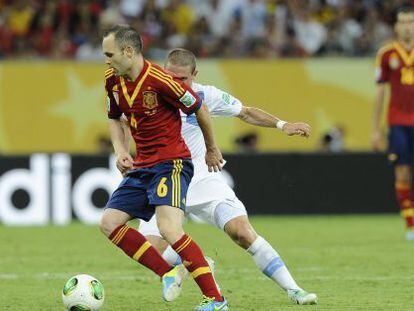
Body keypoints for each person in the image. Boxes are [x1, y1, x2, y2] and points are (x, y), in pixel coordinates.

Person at [134, 48, 318, 305]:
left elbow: (245, 111)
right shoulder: (150, 96)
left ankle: (294, 289)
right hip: (165, 181)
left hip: (201, 178)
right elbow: (121, 120)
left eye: (183, 79)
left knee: (241, 231)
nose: (176, 84)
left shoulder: (205, 95)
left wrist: (282, 125)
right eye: (171, 77)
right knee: (151, 248)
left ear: (195, 75)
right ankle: (198, 266)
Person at [100, 25, 229, 311]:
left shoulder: (162, 80)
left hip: (171, 162)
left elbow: (200, 109)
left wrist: (211, 148)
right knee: (109, 223)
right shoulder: (112, 79)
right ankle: (168, 273)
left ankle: (217, 300)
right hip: (142, 164)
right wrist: (121, 151)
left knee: (168, 227)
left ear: (129, 51)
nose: (106, 60)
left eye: (109, 54)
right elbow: (113, 116)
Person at [373, 7, 414, 241]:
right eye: (403, 22)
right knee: (403, 173)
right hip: (398, 122)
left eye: (411, 22)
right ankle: (410, 225)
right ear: (397, 27)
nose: (407, 26)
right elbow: (379, 93)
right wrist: (376, 129)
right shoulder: (387, 54)